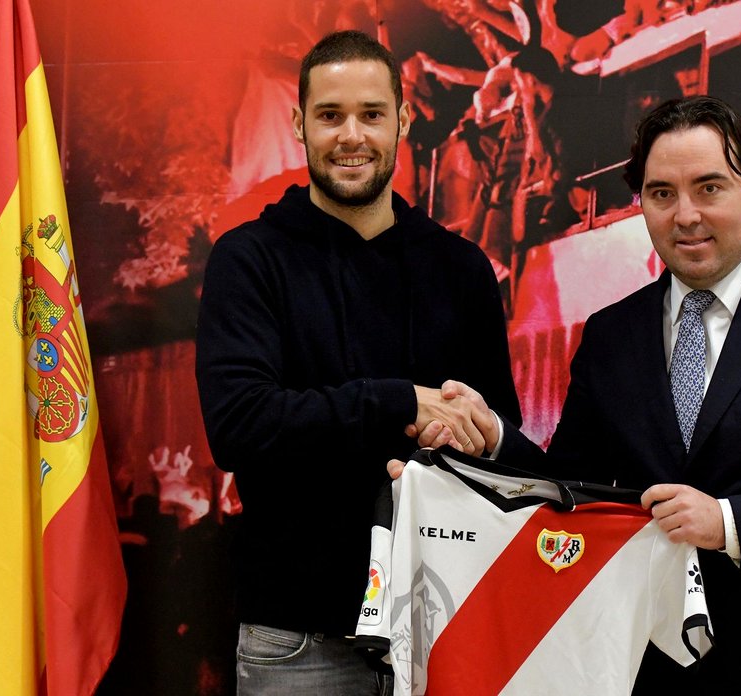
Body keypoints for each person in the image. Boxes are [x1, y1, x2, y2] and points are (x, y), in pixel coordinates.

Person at [399, 95, 741, 695]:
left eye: (709, 188)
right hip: (656, 673)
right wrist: (495, 440)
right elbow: (572, 492)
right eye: (662, 193)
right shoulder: (611, 333)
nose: (685, 215)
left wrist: (725, 521)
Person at [194, 30, 522, 695]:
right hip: (300, 643)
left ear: (403, 119)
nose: (352, 135)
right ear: (298, 124)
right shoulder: (248, 260)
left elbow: (508, 448)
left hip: (450, 635)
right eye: (330, 115)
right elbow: (240, 427)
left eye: (372, 114)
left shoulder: (460, 269)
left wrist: (482, 434)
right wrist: (403, 403)